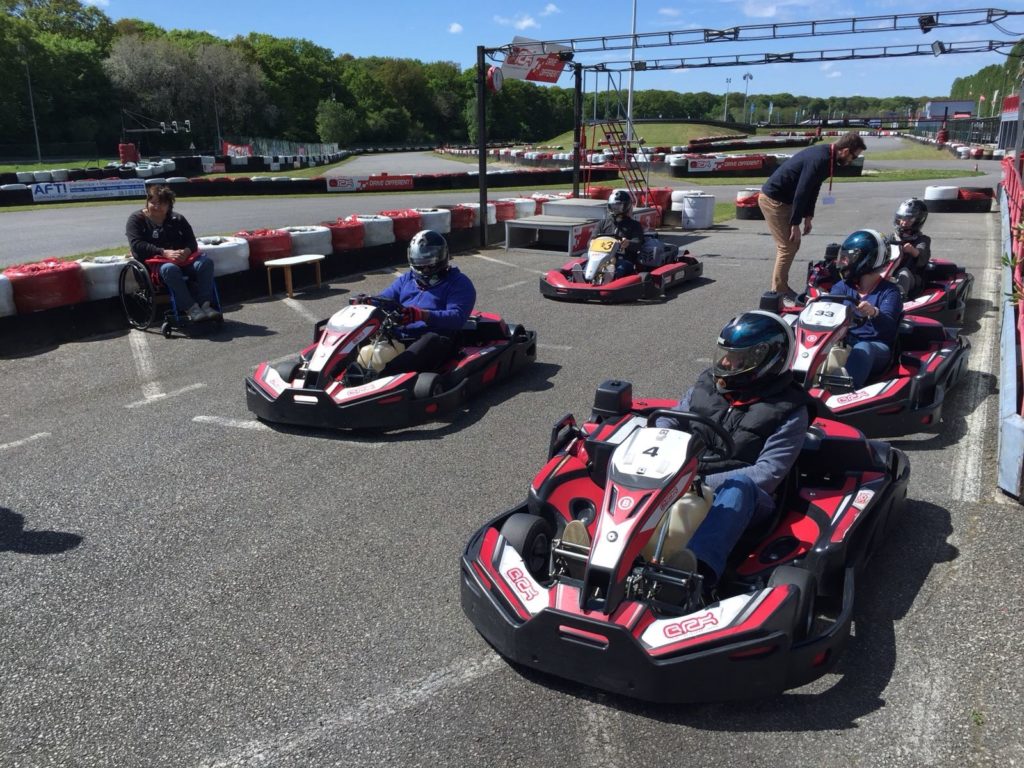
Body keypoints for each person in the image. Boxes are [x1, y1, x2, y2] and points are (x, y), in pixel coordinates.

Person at [654, 311, 814, 588]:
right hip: (686, 477)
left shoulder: (789, 410)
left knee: (740, 486)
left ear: (765, 359)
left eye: (737, 357)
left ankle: (696, 574)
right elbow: (671, 419)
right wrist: (660, 442)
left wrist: (699, 480)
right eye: (726, 354)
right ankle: (602, 547)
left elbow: (769, 473)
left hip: (745, 498)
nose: (725, 362)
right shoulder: (707, 385)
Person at [759, 131, 867, 305]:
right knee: (787, 246)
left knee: (793, 244)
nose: (852, 161)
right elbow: (802, 191)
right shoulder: (821, 159)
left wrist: (808, 216)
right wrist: (795, 223)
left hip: (785, 201)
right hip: (773, 200)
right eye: (853, 156)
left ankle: (781, 287)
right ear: (845, 151)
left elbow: (813, 188)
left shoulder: (829, 159)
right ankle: (778, 291)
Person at [364, 230, 476, 377]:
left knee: (431, 340)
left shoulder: (458, 283)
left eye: (430, 259)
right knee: (365, 331)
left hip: (436, 338)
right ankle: (346, 371)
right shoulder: (407, 279)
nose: (425, 267)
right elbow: (385, 300)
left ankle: (384, 377)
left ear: (442, 255)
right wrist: (368, 301)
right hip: (401, 335)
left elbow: (457, 317)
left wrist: (422, 315)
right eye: (420, 260)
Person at [126, 185, 219, 322]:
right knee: (170, 269)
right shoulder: (136, 219)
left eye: (161, 203)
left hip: (182, 259)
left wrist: (186, 251)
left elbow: (191, 242)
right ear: (147, 202)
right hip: (154, 263)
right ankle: (191, 307)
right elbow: (137, 244)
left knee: (205, 263)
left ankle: (205, 304)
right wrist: (163, 252)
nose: (156, 206)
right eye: (153, 202)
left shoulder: (177, 219)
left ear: (169, 205)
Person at [830, 229, 904, 389]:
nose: (844, 262)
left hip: (875, 347)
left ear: (867, 260)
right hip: (845, 342)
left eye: (849, 258)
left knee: (863, 348)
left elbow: (889, 329)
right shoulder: (842, 287)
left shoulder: (889, 291)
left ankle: (843, 388)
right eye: (844, 257)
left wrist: (874, 312)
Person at [594, 189, 645, 278]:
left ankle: (611, 277)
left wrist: (628, 243)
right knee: (585, 262)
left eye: (618, 206)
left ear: (626, 206)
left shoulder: (634, 225)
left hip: (623, 259)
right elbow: (591, 240)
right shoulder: (602, 223)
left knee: (620, 269)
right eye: (613, 206)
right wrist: (591, 242)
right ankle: (582, 275)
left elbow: (638, 243)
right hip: (601, 258)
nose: (615, 209)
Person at [890, 198, 931, 298]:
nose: (903, 222)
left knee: (904, 273)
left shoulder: (922, 240)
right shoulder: (891, 238)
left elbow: (922, 257)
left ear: (918, 221)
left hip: (912, 276)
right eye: (902, 218)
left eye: (908, 219)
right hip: (890, 272)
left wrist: (913, 250)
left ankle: (899, 300)